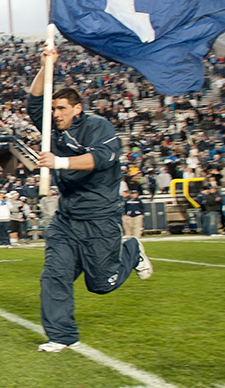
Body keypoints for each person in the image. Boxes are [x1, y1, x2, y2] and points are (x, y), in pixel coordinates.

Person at [27, 47, 152, 352]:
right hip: (67, 219)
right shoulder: (50, 127)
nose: (55, 114)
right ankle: (62, 336)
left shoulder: (98, 126)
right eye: (53, 109)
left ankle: (132, 250)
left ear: (77, 108)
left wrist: (58, 162)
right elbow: (34, 99)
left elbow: (101, 159)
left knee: (101, 284)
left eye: (61, 109)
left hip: (100, 218)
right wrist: (47, 65)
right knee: (54, 275)